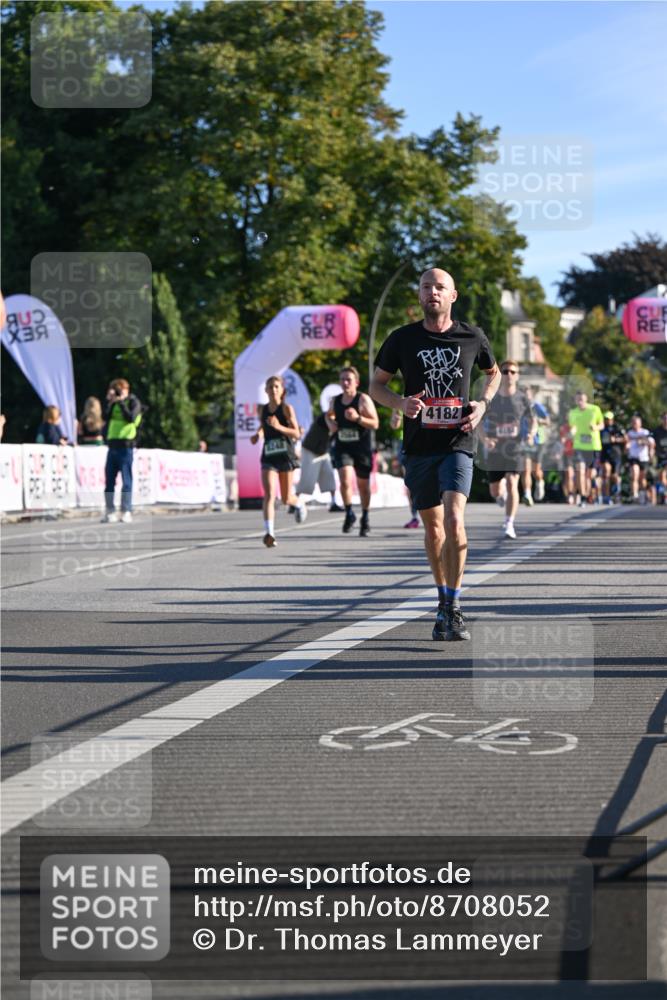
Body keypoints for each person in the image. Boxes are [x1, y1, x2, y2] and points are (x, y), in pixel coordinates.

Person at [370, 267, 500, 642]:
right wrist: (400, 402)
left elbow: (495, 374)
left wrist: (482, 406)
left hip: (457, 443)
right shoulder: (402, 338)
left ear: (452, 295)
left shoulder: (472, 336)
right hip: (419, 447)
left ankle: (453, 606)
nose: (433, 293)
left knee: (456, 520)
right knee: (434, 528)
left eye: (440, 287)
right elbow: (376, 385)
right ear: (420, 295)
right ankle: (442, 598)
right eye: (427, 287)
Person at [250, 373, 307, 547]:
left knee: (286, 499)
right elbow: (263, 426)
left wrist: (279, 426)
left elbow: (296, 433)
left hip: (285, 456)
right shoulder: (262, 409)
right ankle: (269, 533)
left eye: (277, 386)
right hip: (269, 455)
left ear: (282, 390)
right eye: (270, 387)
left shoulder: (286, 409)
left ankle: (299, 504)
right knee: (269, 494)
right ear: (266, 391)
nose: (273, 390)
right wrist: (257, 435)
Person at [481, 361, 535, 539]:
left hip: (515, 448)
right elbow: (478, 420)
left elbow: (532, 420)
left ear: (517, 375)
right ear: (500, 374)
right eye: (505, 371)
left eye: (513, 372)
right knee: (495, 491)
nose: (509, 375)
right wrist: (485, 439)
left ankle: (509, 523)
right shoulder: (492, 398)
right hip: (495, 448)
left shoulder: (522, 398)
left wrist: (531, 434)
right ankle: (499, 493)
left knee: (513, 482)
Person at [327, 366, 379, 537]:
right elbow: (329, 415)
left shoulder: (363, 399)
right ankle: (349, 513)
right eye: (342, 379)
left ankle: (365, 516)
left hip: (362, 448)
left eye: (348, 379)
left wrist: (358, 418)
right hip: (343, 447)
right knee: (345, 479)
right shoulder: (335, 400)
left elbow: (375, 423)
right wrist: (331, 423)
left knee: (363, 486)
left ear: (356, 382)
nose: (345, 382)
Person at [102, 378, 143, 524]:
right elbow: (104, 417)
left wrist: (121, 402)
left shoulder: (133, 402)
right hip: (112, 445)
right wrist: (111, 402)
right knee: (109, 481)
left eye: (120, 390)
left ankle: (126, 510)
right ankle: (109, 510)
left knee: (126, 480)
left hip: (126, 446)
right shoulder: (113, 404)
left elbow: (131, 417)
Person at [295, 407, 340, 511]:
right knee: (307, 479)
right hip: (310, 450)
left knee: (329, 476)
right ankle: (294, 502)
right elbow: (332, 427)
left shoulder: (336, 420)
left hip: (323, 452)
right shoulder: (323, 418)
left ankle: (333, 503)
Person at [568, 391, 604, 506]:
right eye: (578, 400)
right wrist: (572, 431)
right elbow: (572, 427)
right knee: (580, 470)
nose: (580, 402)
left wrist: (596, 427)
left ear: (586, 400)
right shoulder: (573, 413)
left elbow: (602, 425)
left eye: (582, 400)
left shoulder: (595, 410)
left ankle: (591, 490)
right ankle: (583, 496)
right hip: (579, 446)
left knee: (590, 475)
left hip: (594, 446)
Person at [390, 408, 420, 527]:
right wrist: (396, 419)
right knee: (410, 483)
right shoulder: (402, 399)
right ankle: (415, 516)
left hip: (428, 441)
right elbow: (394, 425)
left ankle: (440, 512)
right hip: (406, 443)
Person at [520, 386, 549, 505]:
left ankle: (540, 482)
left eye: (527, 395)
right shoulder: (519, 407)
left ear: (531, 395)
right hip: (523, 441)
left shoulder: (537, 406)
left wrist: (538, 420)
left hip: (538, 441)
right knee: (525, 469)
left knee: (536, 471)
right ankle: (527, 494)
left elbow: (548, 421)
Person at [625, 413, 655, 504]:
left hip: (643, 458)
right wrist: (626, 447)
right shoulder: (629, 433)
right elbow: (626, 445)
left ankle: (642, 494)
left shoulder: (645, 432)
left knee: (642, 478)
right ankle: (635, 495)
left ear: (640, 423)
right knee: (634, 474)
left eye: (636, 422)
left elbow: (652, 443)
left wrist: (642, 442)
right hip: (633, 457)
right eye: (633, 423)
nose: (635, 424)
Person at [599, 410, 625, 504]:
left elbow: (625, 439)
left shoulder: (617, 428)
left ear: (612, 420)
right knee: (606, 473)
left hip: (615, 455)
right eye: (606, 419)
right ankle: (606, 496)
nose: (607, 420)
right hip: (605, 454)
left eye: (609, 419)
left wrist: (616, 439)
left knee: (615, 476)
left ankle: (617, 493)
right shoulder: (601, 429)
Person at [651, 411, 667, 505]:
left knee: (664, 474)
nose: (666, 420)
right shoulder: (657, 431)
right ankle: (664, 494)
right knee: (661, 477)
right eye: (664, 418)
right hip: (660, 456)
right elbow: (650, 439)